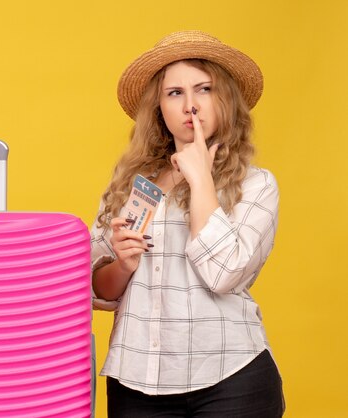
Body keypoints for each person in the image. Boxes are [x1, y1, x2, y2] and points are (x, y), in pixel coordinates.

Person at [90, 31, 285, 417]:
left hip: (232, 376)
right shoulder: (134, 184)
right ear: (159, 108)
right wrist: (124, 266)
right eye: (174, 93)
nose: (190, 106)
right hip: (136, 380)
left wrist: (200, 179)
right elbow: (98, 288)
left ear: (225, 99)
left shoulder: (256, 184)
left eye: (204, 89)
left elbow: (224, 273)